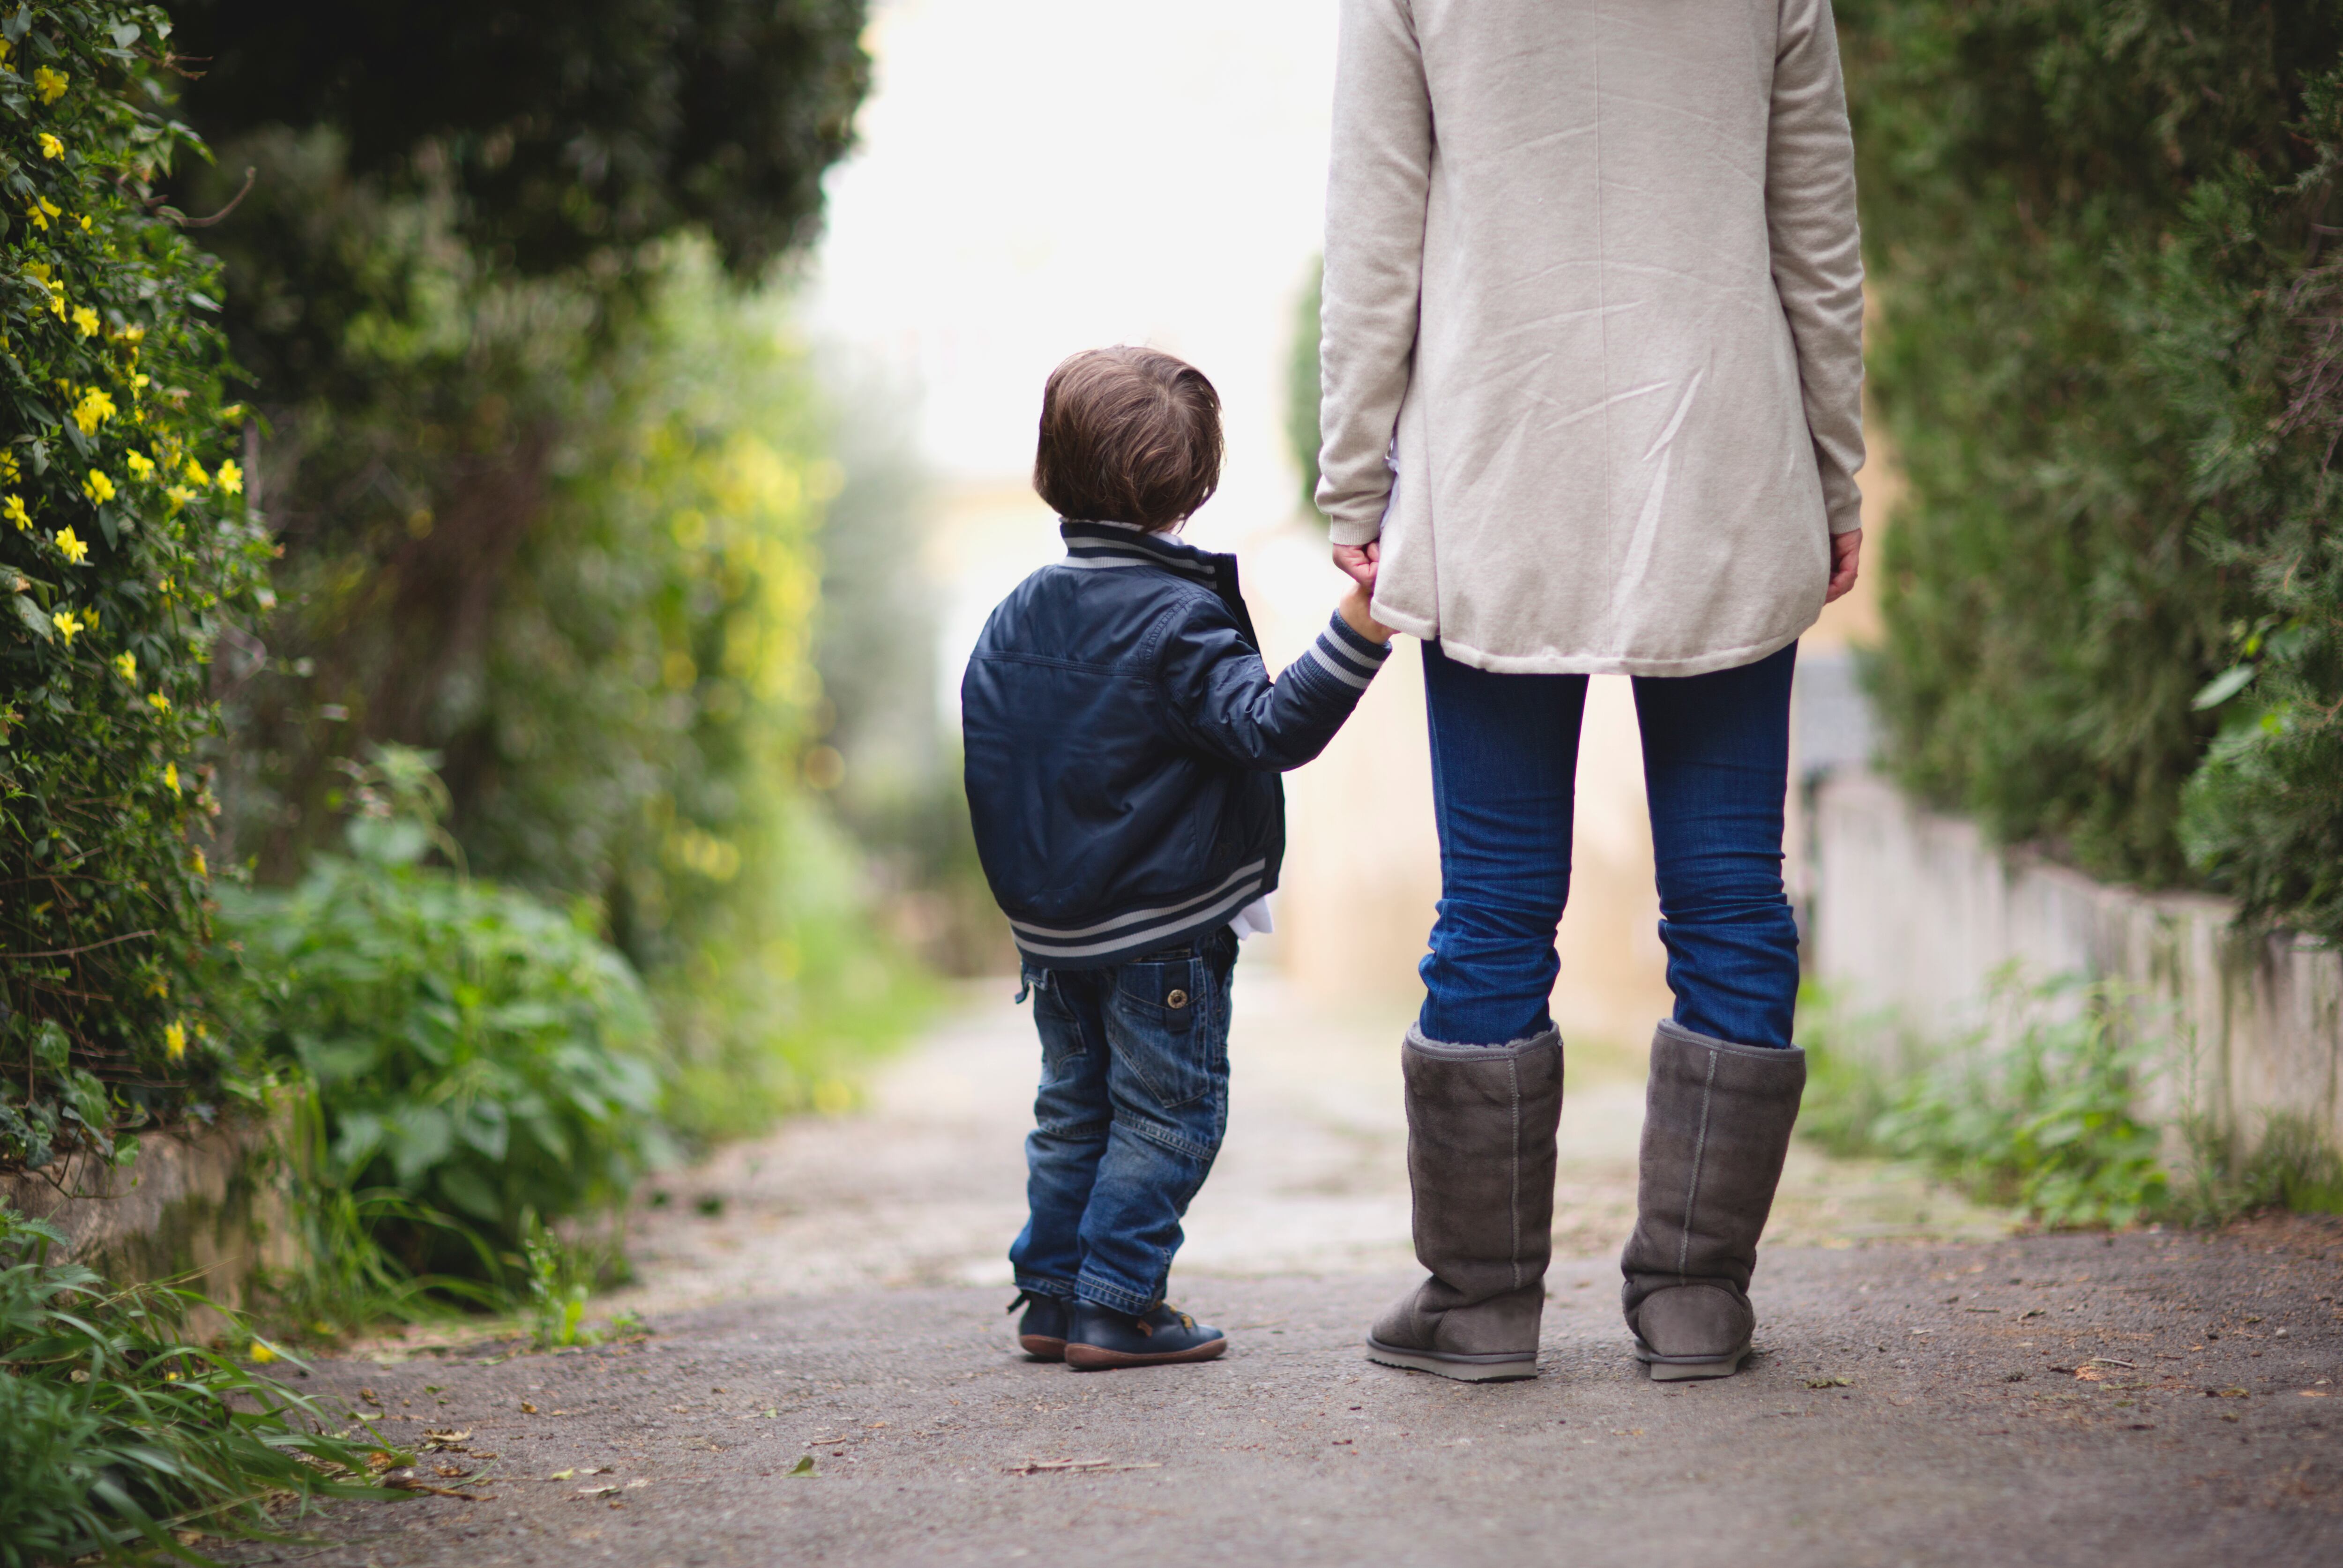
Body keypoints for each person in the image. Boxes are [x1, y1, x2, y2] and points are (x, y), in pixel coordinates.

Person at [1316, 0, 1867, 1382]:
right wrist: (1835, 468)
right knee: (1734, 891)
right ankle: (1695, 1299)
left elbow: (1376, 230)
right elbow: (1819, 238)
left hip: (1507, 456)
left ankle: (1483, 1302)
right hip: (1724, 453)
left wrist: (1353, 471)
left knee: (1495, 896)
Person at [962, 346, 1395, 1369]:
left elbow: (992, 748)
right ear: (1195, 486)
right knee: (1168, 1115)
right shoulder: (1176, 616)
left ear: (1049, 471)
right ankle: (1119, 1304)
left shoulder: (1016, 613)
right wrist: (1360, 629)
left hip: (1055, 930)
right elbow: (1270, 727)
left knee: (1075, 1112)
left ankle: (1052, 1297)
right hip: (1162, 928)